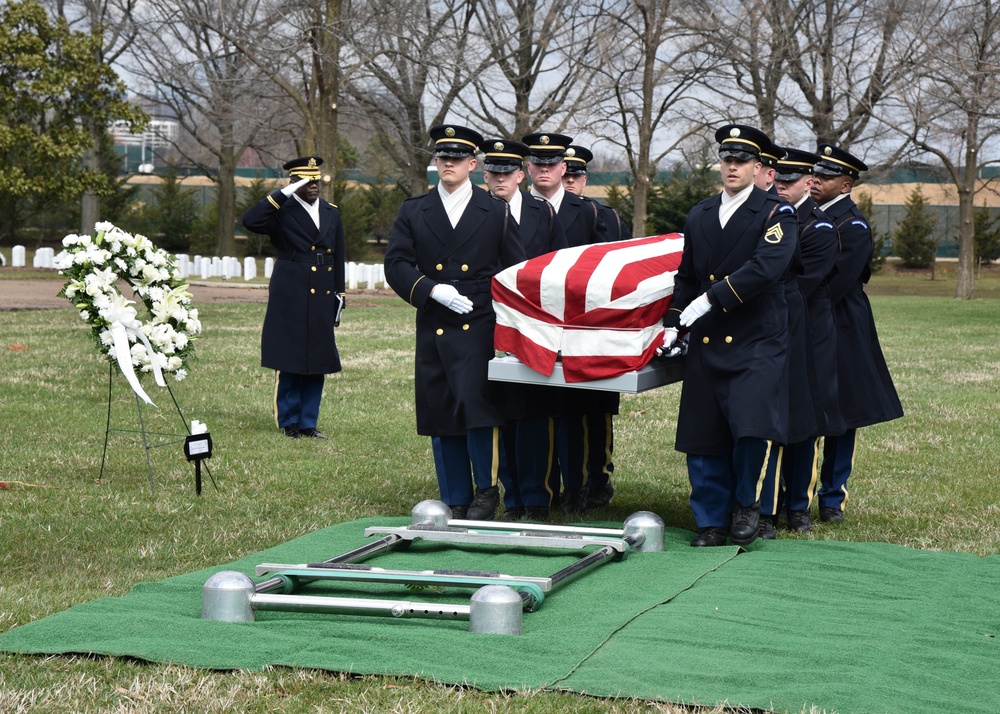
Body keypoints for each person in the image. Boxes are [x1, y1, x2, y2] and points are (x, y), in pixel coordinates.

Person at [662, 124, 798, 546]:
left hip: (755, 338)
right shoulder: (701, 213)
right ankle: (709, 520)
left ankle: (746, 504)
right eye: (727, 159)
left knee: (750, 427)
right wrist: (674, 320)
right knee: (704, 435)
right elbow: (687, 275)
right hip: (706, 338)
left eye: (742, 161)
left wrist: (712, 299)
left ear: (759, 168)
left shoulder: (777, 213)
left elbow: (765, 268)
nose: (733, 166)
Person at [384, 124, 525, 520]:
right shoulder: (414, 209)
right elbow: (396, 263)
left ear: (473, 164)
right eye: (442, 155)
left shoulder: (494, 211)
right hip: (435, 318)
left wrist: (508, 327)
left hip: (478, 320)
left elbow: (513, 270)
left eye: (458, 157)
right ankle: (454, 495)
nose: (448, 162)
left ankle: (485, 491)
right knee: (440, 407)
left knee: (478, 407)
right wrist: (430, 289)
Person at [811, 144, 903, 522]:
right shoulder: (807, 215)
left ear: (846, 184)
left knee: (843, 415)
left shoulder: (853, 225)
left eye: (827, 176)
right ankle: (797, 494)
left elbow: (836, 284)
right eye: (815, 173)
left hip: (842, 324)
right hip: (814, 321)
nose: (816, 180)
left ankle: (833, 497)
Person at [522, 131, 610, 514]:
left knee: (582, 409)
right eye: (537, 163)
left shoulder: (593, 213)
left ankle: (583, 484)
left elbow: (608, 271)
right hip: (533, 324)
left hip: (580, 326)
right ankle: (542, 487)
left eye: (563, 169)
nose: (550, 171)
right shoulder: (515, 208)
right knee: (539, 410)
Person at [481, 137, 567, 521]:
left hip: (533, 323)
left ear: (521, 173)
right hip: (487, 321)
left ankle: (536, 498)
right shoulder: (477, 210)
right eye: (493, 172)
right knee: (500, 413)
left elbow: (559, 266)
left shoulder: (543, 212)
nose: (500, 179)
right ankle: (509, 494)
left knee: (534, 413)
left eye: (507, 172)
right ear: (485, 175)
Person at [760, 147, 843, 534]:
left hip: (808, 335)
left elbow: (800, 285)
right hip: (776, 332)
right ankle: (767, 505)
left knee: (805, 425)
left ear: (809, 183)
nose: (781, 187)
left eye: (789, 182)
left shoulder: (820, 228)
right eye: (778, 180)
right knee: (774, 421)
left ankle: (798, 506)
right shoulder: (772, 218)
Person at [242, 156, 345, 440]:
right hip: (291, 288)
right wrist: (282, 194)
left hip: (323, 290)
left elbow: (339, 254)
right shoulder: (281, 209)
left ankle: (308, 422)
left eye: (316, 180)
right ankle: (289, 421)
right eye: (305, 181)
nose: (313, 185)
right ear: (292, 183)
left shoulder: (331, 211)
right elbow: (250, 220)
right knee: (290, 357)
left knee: (318, 358)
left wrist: (340, 293)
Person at [562, 143, 629, 510]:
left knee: (596, 408)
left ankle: (598, 477)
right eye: (564, 174)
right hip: (555, 324)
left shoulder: (606, 218)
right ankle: (568, 480)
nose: (569, 181)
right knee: (560, 410)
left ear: (584, 179)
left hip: (593, 327)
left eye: (575, 176)